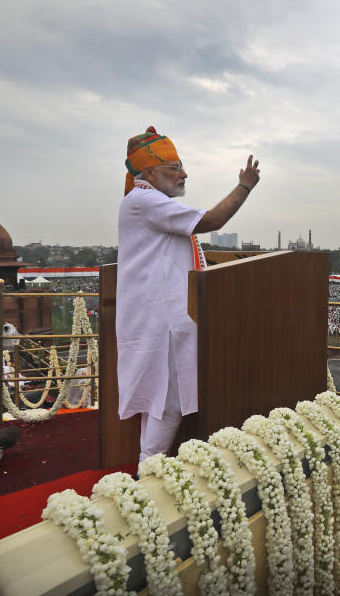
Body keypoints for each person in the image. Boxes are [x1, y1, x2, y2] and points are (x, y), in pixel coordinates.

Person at [117, 126, 260, 464]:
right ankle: (148, 471)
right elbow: (211, 220)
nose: (183, 174)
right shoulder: (145, 200)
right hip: (160, 318)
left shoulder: (145, 201)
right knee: (168, 400)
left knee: (158, 398)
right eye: (174, 168)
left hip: (159, 316)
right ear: (149, 172)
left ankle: (147, 465)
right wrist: (245, 186)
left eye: (182, 166)